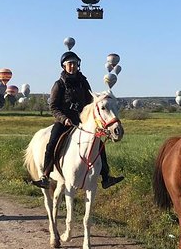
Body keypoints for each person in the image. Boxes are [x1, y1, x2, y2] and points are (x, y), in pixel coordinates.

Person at [35, 51, 124, 190]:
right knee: (52, 141)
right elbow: (53, 107)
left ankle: (106, 177)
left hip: (82, 121)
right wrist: (64, 119)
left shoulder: (83, 82)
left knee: (99, 143)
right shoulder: (59, 84)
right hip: (64, 121)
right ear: (64, 66)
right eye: (70, 64)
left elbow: (91, 101)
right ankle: (45, 176)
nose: (73, 66)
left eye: (75, 63)